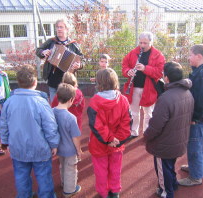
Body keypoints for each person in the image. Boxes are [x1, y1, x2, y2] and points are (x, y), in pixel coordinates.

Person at [0, 65, 60, 198]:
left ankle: (24, 195)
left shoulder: (9, 102)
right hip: (40, 148)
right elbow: (50, 126)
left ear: (19, 82)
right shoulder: (41, 102)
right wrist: (54, 144)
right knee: (44, 176)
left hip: (18, 147)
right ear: (35, 82)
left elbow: (3, 124)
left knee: (21, 176)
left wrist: (4, 141)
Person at [144, 62, 194, 198]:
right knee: (170, 164)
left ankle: (166, 191)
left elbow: (156, 124)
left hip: (164, 143)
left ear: (166, 78)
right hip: (179, 139)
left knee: (162, 167)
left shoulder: (165, 98)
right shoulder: (187, 92)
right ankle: (173, 183)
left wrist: (146, 136)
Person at [87, 68, 131, 198]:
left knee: (101, 171)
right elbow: (127, 122)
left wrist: (109, 139)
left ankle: (103, 193)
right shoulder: (123, 100)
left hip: (99, 143)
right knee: (115, 169)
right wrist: (117, 140)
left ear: (99, 83)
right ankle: (115, 191)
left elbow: (97, 125)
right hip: (116, 145)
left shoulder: (95, 101)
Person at [178, 44, 203, 186]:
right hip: (199, 116)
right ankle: (196, 168)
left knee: (195, 145)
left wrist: (195, 118)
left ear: (199, 56)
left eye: (190, 55)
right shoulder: (199, 70)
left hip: (198, 118)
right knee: (197, 143)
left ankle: (196, 177)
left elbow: (202, 100)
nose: (189, 58)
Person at [122, 31, 165, 138]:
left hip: (149, 88)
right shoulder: (133, 53)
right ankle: (134, 131)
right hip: (134, 87)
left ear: (151, 42)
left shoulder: (158, 55)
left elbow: (159, 72)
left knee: (148, 113)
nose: (142, 45)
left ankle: (147, 133)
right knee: (134, 112)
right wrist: (128, 72)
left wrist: (145, 68)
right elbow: (124, 65)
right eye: (140, 42)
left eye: (145, 43)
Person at [36, 19, 83, 102]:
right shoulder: (51, 42)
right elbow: (38, 50)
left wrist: (80, 65)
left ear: (66, 29)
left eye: (61, 27)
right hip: (53, 79)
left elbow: (82, 59)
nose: (59, 29)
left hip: (68, 80)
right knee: (54, 104)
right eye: (57, 27)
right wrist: (43, 52)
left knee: (68, 104)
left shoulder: (73, 44)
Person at [53, 83, 82, 198]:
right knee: (71, 168)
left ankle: (64, 183)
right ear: (71, 100)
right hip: (69, 149)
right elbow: (75, 137)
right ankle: (69, 190)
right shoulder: (71, 118)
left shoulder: (51, 112)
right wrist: (78, 150)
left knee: (62, 165)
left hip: (58, 147)